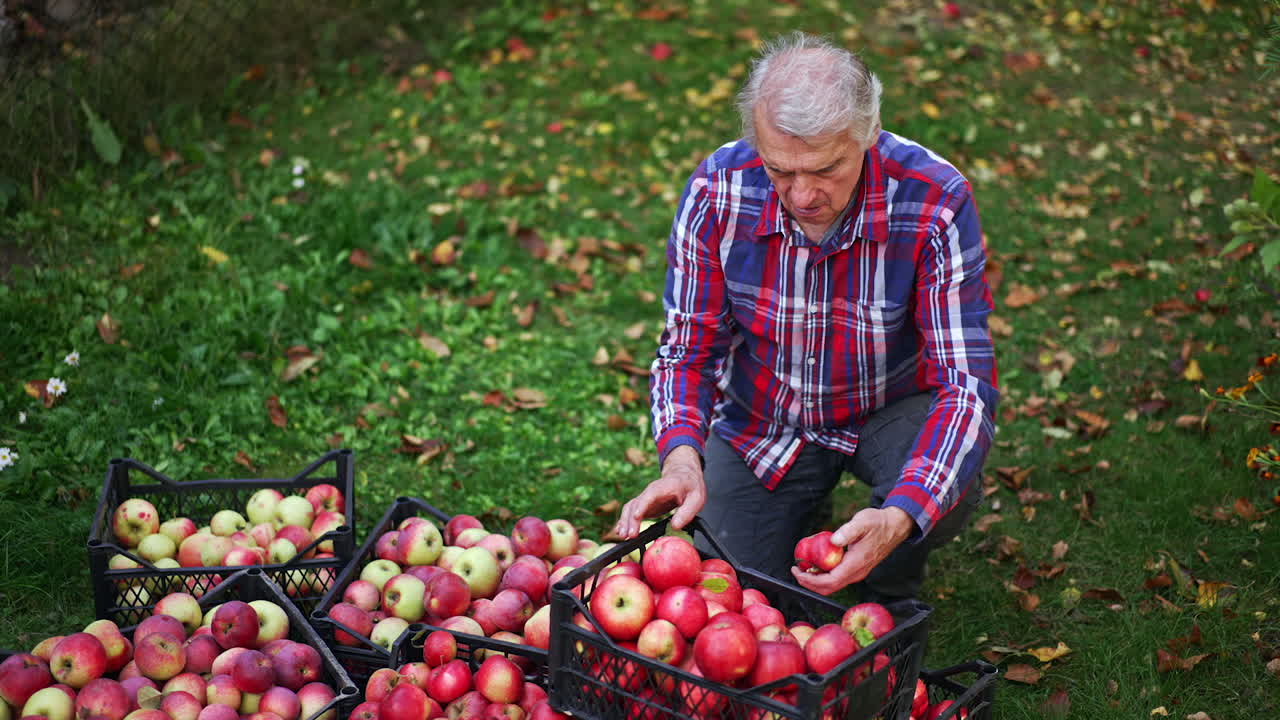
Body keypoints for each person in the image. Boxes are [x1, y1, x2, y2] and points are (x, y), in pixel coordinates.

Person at [613, 31, 999, 604]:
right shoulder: (716, 192)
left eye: (825, 169)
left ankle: (887, 576)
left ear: (868, 133)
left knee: (942, 492)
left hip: (887, 409)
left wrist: (902, 514)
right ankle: (800, 507)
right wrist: (680, 460)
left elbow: (965, 386)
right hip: (766, 418)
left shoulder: (934, 199)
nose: (802, 195)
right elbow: (687, 351)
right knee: (728, 581)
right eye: (779, 171)